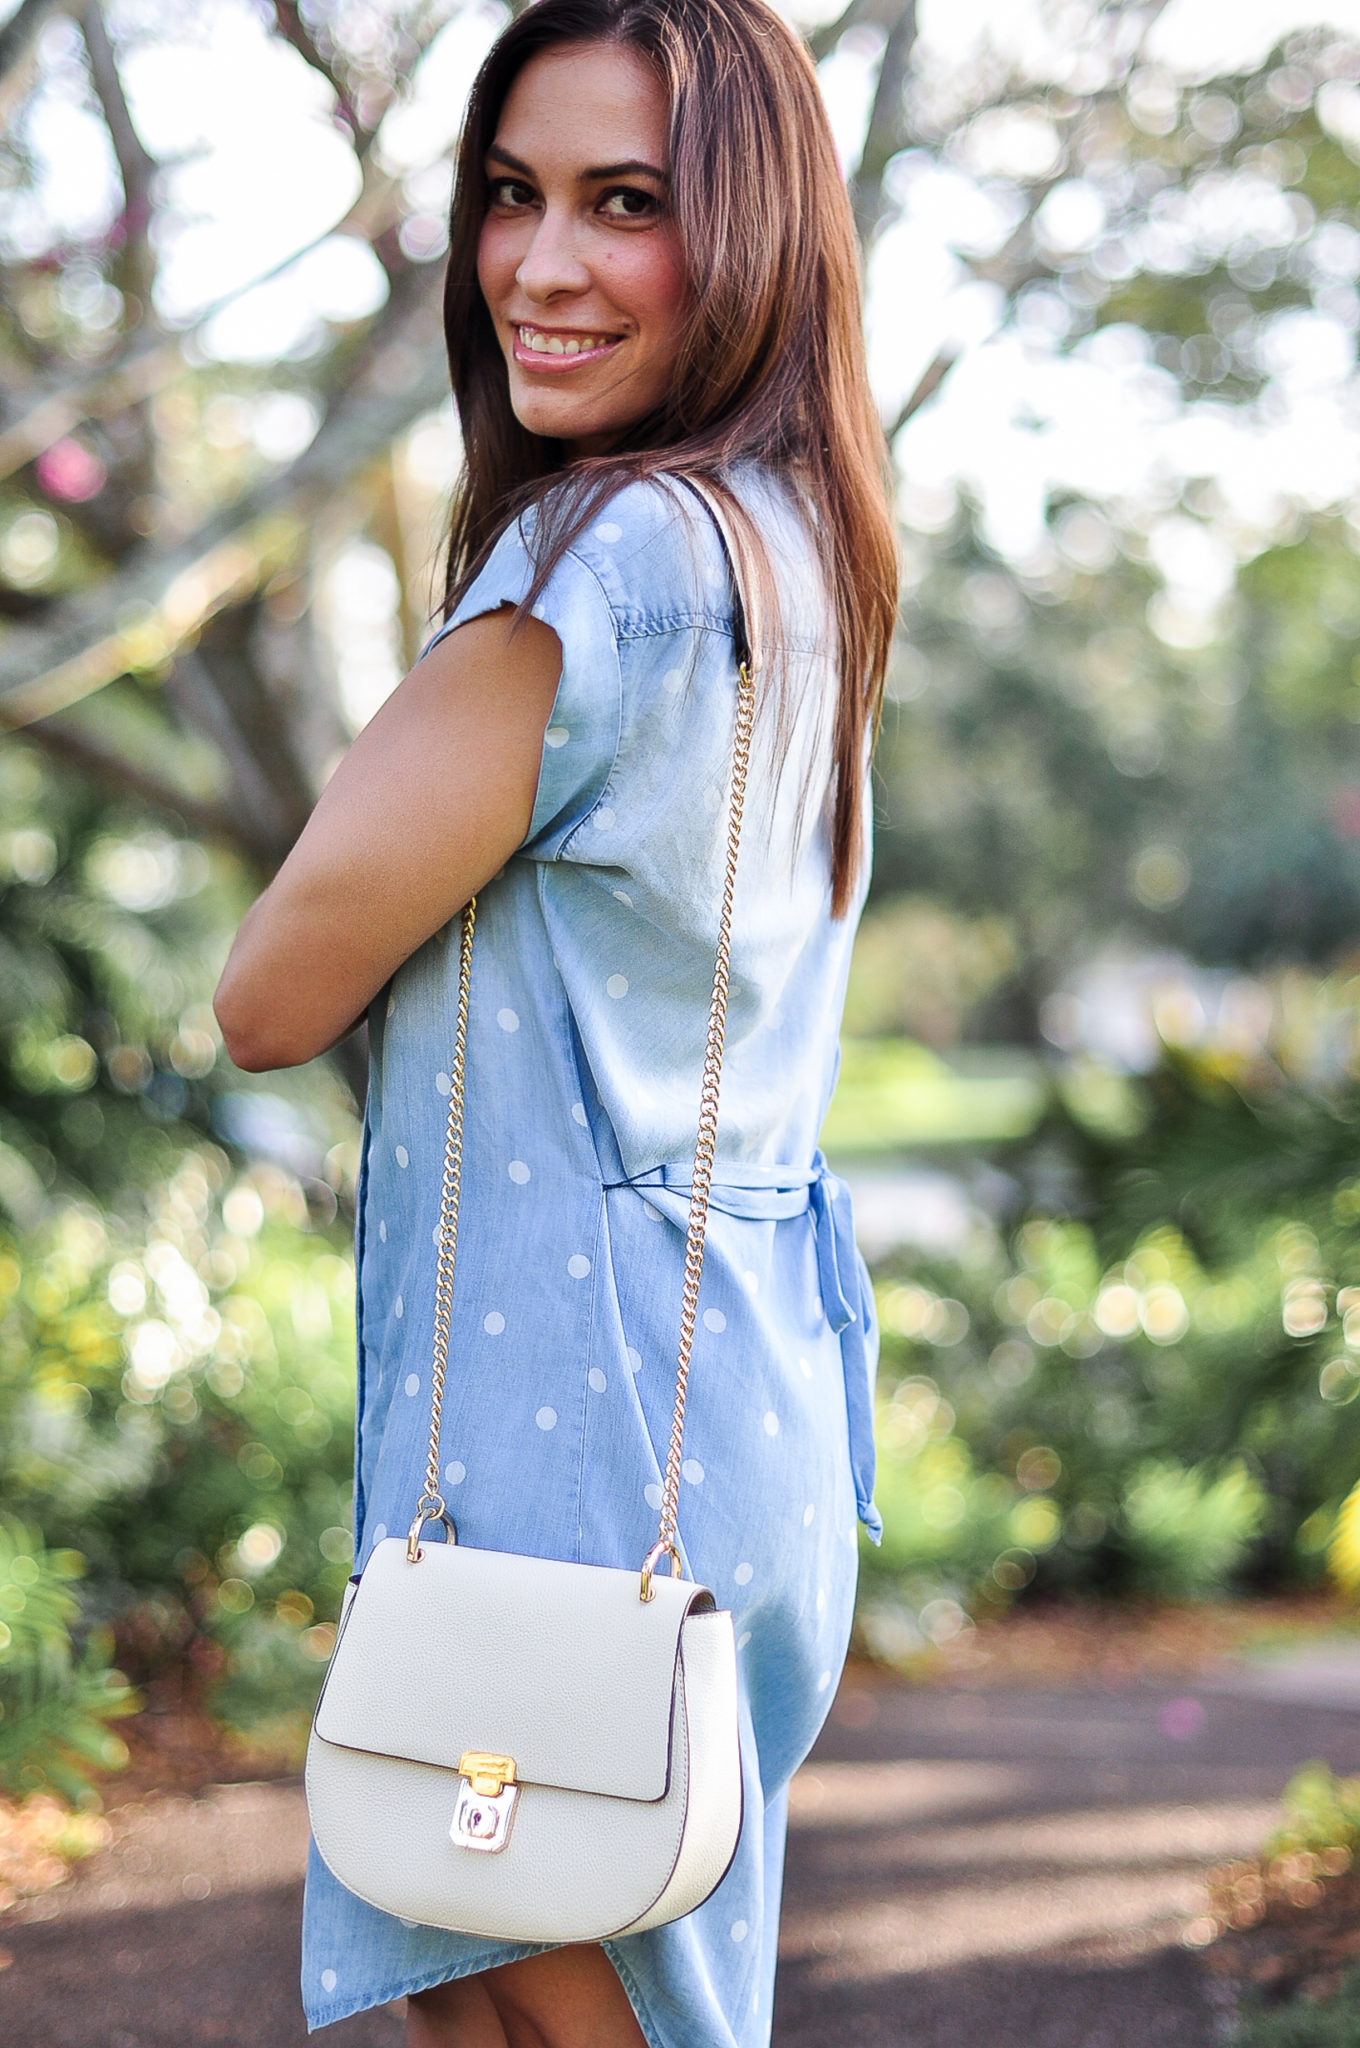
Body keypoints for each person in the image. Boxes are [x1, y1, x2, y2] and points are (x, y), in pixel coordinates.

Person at [213, 0, 897, 2039]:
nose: (539, 264)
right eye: (510, 198)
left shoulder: (597, 567)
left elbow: (271, 989)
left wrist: (448, 673)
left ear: (753, 232)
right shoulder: (789, 559)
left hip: (566, 1433)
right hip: (718, 1386)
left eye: (626, 204)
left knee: (524, 1991)